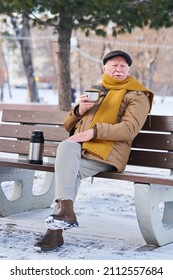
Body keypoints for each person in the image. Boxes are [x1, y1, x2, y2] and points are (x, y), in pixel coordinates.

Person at [34, 50, 154, 251]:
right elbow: (67, 125)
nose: (118, 69)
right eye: (114, 65)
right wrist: (79, 110)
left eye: (123, 66)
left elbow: (129, 129)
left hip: (108, 153)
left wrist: (93, 132)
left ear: (129, 70)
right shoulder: (97, 91)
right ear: (104, 68)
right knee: (67, 149)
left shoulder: (137, 95)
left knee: (69, 167)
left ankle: (55, 230)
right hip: (82, 151)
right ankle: (65, 213)